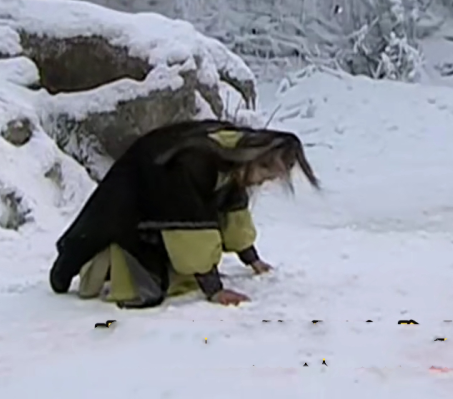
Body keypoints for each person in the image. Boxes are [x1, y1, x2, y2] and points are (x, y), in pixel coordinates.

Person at [48, 119, 319, 308]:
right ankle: (75, 267)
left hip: (160, 211)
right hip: (135, 209)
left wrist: (252, 259)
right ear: (255, 159)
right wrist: (214, 290)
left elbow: (232, 208)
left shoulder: (233, 157)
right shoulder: (194, 161)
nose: (262, 183)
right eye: (265, 174)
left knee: (181, 273)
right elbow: (190, 225)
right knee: (146, 289)